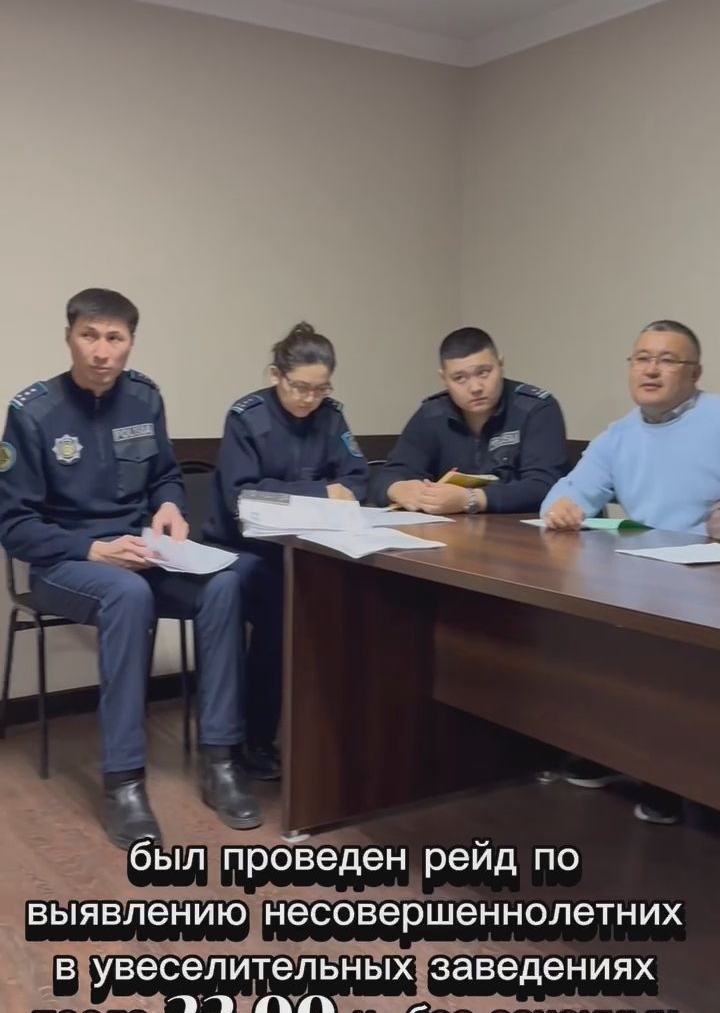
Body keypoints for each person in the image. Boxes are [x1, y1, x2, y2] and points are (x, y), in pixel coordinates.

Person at [0, 288, 261, 849]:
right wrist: (94, 550)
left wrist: (170, 507)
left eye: (114, 338)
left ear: (130, 343)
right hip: (65, 563)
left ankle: (222, 761)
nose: (101, 351)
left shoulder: (145, 398)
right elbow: (14, 527)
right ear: (69, 338)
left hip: (141, 553)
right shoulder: (32, 412)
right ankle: (124, 783)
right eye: (89, 336)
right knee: (128, 595)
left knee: (224, 583)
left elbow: (165, 475)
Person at [541, 318, 720, 823]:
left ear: (695, 373)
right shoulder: (619, 435)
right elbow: (565, 494)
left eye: (667, 360)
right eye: (642, 358)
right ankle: (619, 752)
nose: (651, 370)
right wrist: (564, 509)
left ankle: (671, 774)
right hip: (648, 575)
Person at [203, 322, 368, 780]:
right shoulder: (247, 417)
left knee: (354, 594)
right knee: (280, 603)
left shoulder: (331, 417)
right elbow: (242, 499)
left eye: (320, 389)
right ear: (276, 375)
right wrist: (319, 492)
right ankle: (252, 739)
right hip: (240, 551)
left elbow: (357, 479)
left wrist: (329, 493)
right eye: (300, 388)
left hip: (308, 547)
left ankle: (335, 731)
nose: (309, 399)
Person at [369, 327, 568, 514]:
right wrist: (397, 488)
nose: (475, 388)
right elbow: (389, 474)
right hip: (451, 532)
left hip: (519, 531)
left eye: (484, 372)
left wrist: (471, 499)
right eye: (460, 378)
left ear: (501, 364)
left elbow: (544, 485)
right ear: (444, 379)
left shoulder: (535, 408)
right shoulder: (432, 414)